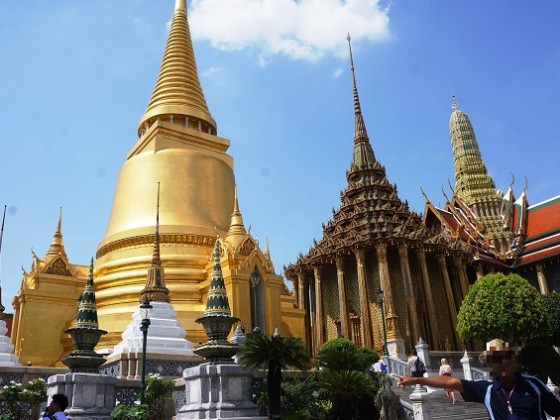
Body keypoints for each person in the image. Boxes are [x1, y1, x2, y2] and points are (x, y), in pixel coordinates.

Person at [396, 339, 560, 420]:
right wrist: (414, 380)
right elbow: (449, 382)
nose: (502, 363)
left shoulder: (533, 385)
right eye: (496, 360)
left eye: (505, 358)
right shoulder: (487, 390)